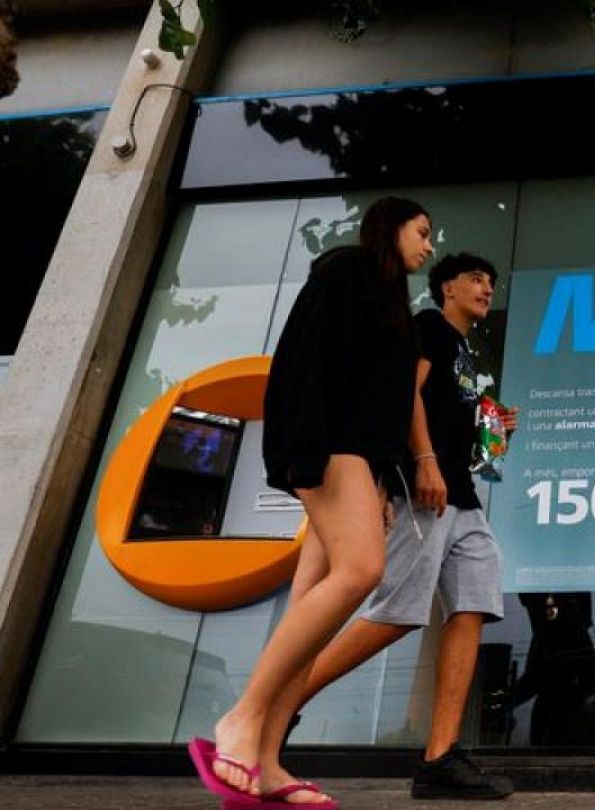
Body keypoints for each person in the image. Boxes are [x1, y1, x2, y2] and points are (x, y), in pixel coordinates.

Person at [190, 197, 433, 809]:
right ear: (391, 227)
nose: (429, 246)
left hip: (362, 461)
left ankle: (268, 763)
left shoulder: (394, 303)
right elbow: (303, 360)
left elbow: (383, 400)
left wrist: (382, 483)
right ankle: (242, 720)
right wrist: (306, 453)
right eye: (422, 232)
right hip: (327, 448)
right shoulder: (346, 269)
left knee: (312, 605)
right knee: (362, 570)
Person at [284, 253, 516, 800]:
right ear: (447, 288)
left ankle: (440, 757)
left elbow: (468, 437)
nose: (486, 288)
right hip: (422, 489)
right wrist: (424, 462)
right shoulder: (429, 327)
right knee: (399, 611)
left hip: (463, 497)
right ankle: (281, 698)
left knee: (475, 600)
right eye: (476, 279)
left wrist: (497, 431)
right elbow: (403, 393)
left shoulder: (471, 356)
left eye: (490, 282)